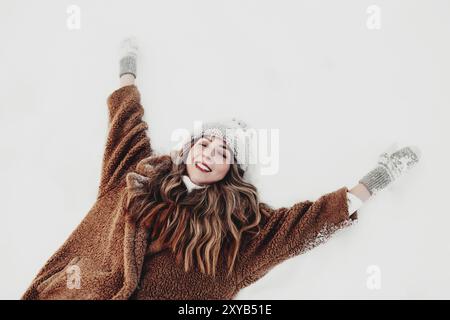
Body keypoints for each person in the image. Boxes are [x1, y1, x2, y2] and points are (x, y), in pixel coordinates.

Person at [21, 37, 421, 300]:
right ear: (190, 146)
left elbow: (307, 226)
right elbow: (126, 121)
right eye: (204, 142)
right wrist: (128, 70)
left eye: (222, 152)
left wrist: (377, 179)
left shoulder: (242, 233)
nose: (208, 153)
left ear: (231, 170)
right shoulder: (137, 175)